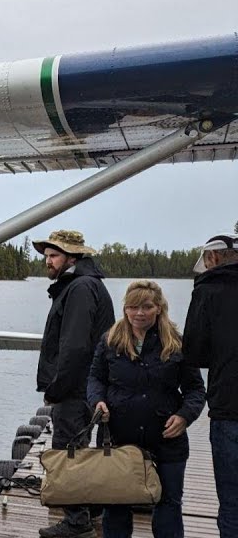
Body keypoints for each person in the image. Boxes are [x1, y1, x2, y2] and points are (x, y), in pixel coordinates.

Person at [88, 280, 205, 538]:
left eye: (146, 306)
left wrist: (185, 416)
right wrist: (97, 401)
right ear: (125, 309)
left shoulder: (176, 343)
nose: (139, 313)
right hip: (118, 438)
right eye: (133, 307)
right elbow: (95, 378)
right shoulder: (110, 340)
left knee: (169, 504)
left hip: (166, 440)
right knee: (116, 505)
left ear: (159, 308)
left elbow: (196, 389)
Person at [32, 229, 115, 538]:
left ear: (72, 257)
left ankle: (77, 521)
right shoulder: (84, 284)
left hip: (76, 389)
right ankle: (91, 508)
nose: (48, 262)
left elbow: (76, 347)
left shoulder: (79, 288)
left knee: (67, 451)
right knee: (79, 450)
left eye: (54, 256)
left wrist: (55, 389)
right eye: (46, 256)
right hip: (86, 386)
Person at [183, 230, 238, 537]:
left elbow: (193, 352)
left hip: (229, 410)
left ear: (213, 258)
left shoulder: (208, 289)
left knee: (231, 504)